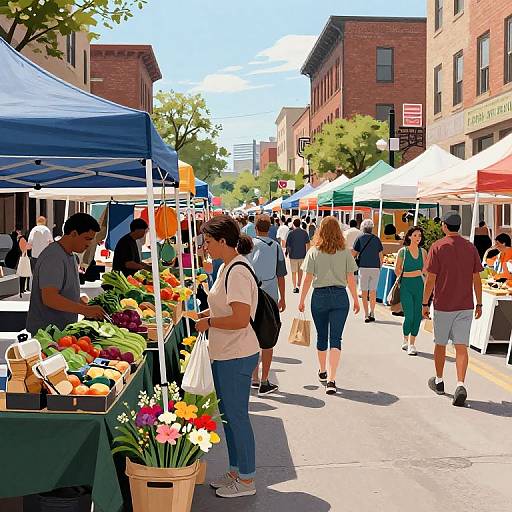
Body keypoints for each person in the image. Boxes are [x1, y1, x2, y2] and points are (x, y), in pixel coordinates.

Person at [195, 215, 259, 498]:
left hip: (237, 353)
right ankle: (236, 471)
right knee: (230, 418)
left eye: (208, 241)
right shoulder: (226, 268)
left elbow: (240, 318)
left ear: (223, 241)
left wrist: (209, 323)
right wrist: (206, 315)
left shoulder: (238, 271)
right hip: (226, 353)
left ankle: (246, 480)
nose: (205, 246)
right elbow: (226, 310)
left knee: (237, 417)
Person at [422, 211, 483, 407]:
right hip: (465, 304)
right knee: (461, 346)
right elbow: (477, 278)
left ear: (445, 226)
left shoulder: (437, 247)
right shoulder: (470, 247)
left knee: (440, 344)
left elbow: (430, 279)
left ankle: (439, 381)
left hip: (443, 304)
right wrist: (479, 303)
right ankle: (460, 383)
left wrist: (425, 303)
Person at [298, 217, 360, 394]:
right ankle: (332, 380)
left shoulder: (314, 251)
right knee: (336, 339)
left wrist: (301, 299)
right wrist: (355, 299)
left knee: (321, 336)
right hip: (340, 297)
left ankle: (323, 370)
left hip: (320, 296)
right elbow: (350, 279)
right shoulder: (345, 252)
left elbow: (307, 278)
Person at [27, 213, 106, 334]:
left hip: (62, 331)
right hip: (46, 334)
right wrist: (85, 310)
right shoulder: (54, 257)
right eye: (87, 238)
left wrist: (85, 304)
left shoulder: (71, 256)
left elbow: (64, 293)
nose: (89, 244)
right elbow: (50, 298)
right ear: (73, 233)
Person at [246, 215, 287, 396]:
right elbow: (281, 275)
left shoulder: (247, 245)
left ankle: (253, 378)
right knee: (268, 340)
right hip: (270, 297)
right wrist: (283, 298)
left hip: (251, 295)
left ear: (255, 228)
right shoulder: (276, 247)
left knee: (252, 338)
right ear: (269, 228)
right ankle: (264, 380)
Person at [394, 226, 427, 356]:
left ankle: (412, 343)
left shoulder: (423, 252)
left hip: (419, 285)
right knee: (409, 315)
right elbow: (397, 269)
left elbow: (425, 269)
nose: (418, 238)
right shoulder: (403, 251)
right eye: (415, 235)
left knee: (418, 316)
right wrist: (405, 276)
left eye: (419, 235)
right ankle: (405, 339)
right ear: (409, 237)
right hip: (406, 286)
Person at [352, 219, 383, 322]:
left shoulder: (359, 238)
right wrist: (380, 266)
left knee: (364, 292)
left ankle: (366, 314)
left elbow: (354, 254)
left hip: (363, 267)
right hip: (375, 268)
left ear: (362, 228)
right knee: (373, 292)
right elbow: (380, 255)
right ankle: (372, 312)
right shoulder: (377, 239)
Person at [286, 218, 310, 293]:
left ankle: (294, 286)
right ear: (300, 224)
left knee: (293, 272)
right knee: (300, 271)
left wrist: (287, 252)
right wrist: (307, 252)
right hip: (302, 255)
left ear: (293, 224)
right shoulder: (304, 233)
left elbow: (288, 245)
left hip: (293, 255)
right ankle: (299, 285)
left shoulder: (291, 233)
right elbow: (308, 244)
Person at [5, 228, 30, 294]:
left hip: (17, 259)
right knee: (24, 274)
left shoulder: (14, 240)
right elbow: (24, 249)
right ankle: (23, 288)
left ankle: (22, 288)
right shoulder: (22, 239)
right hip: (22, 258)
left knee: (22, 274)